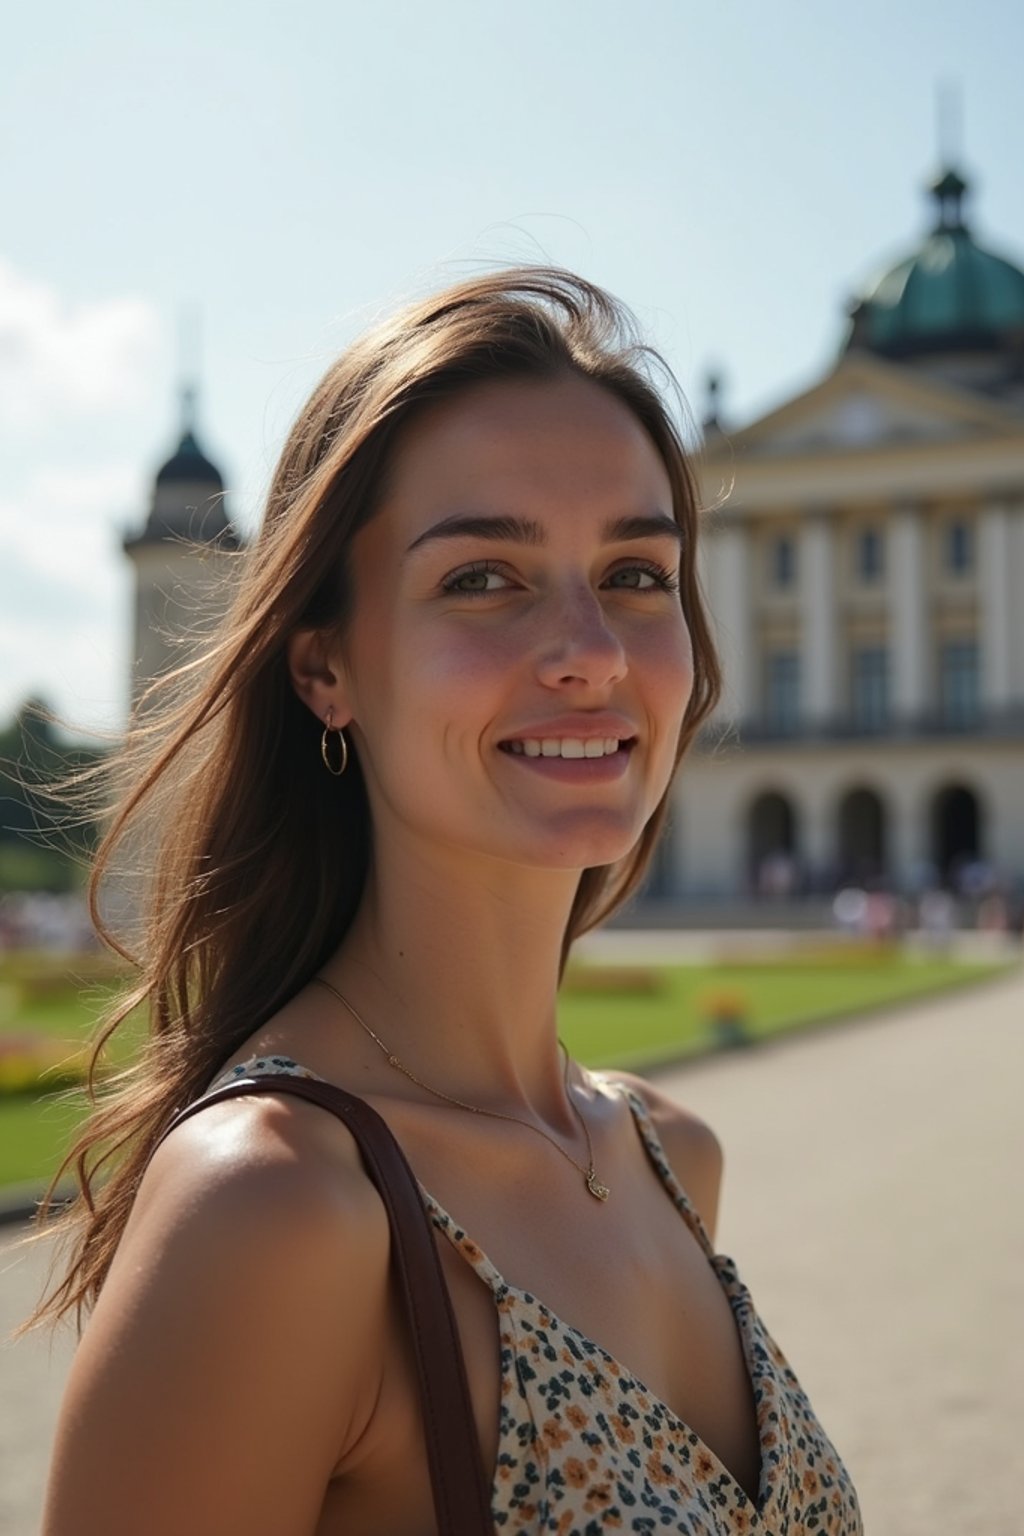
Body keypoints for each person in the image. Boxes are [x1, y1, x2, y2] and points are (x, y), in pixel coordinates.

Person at [33, 268, 862, 1534]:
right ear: (326, 668)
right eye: (483, 577)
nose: (589, 647)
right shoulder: (275, 1210)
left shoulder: (665, 1154)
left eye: (637, 573)